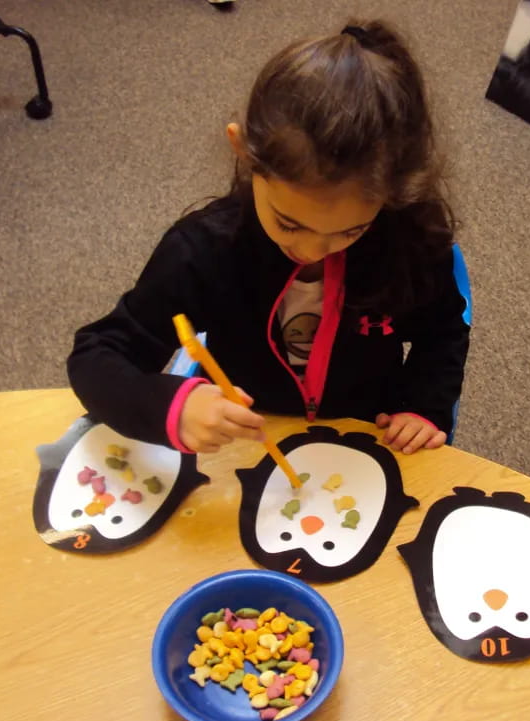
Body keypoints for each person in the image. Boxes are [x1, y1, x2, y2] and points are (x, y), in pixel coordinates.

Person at [67, 20, 470, 457]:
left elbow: (443, 331)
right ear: (243, 152)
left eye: (351, 230)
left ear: (393, 192)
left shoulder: (409, 239)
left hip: (365, 431)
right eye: (290, 223)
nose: (313, 250)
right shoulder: (203, 250)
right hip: (249, 438)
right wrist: (171, 405)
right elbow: (97, 356)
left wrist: (423, 407)